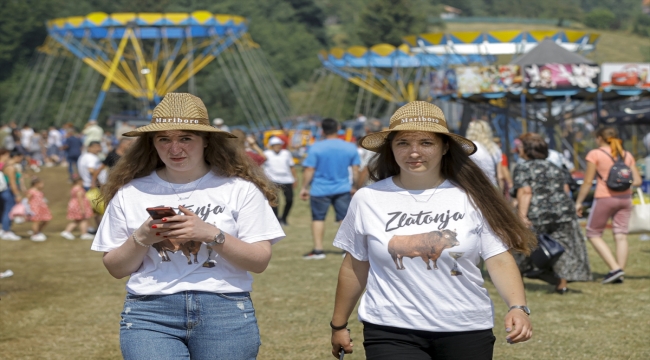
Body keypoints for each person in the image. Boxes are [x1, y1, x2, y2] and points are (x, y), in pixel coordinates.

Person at [330, 101, 535, 359]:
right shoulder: (368, 198)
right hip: (391, 328)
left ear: (444, 147)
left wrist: (518, 307)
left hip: (466, 327)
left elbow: (498, 258)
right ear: (391, 149)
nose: (414, 152)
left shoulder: (472, 197)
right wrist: (338, 324)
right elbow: (354, 265)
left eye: (426, 143)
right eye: (403, 143)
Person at [91, 93, 285, 359]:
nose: (174, 149)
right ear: (152, 143)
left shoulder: (240, 190)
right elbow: (115, 268)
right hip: (150, 313)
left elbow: (259, 261)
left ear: (206, 141)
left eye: (185, 138)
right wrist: (142, 237)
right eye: (164, 139)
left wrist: (211, 234)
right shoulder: (131, 192)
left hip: (225, 310)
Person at [512, 133, 592, 293]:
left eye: (520, 146)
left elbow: (525, 192)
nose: (518, 149)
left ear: (527, 150)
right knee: (561, 247)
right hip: (562, 212)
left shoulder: (523, 167)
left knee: (522, 247)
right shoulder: (554, 166)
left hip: (537, 213)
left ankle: (516, 283)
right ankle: (562, 285)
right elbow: (565, 188)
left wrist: (521, 216)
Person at [575, 126, 642, 284]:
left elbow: (587, 182)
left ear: (599, 138)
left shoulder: (595, 154)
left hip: (604, 197)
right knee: (621, 235)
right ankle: (620, 273)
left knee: (593, 233)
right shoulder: (626, 154)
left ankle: (615, 269)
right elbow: (638, 180)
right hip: (626, 199)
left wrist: (578, 202)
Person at [300, 118, 360, 259]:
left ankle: (318, 250)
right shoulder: (349, 147)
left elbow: (309, 169)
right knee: (344, 218)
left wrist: (304, 187)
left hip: (320, 189)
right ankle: (347, 249)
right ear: (338, 128)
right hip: (343, 188)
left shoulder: (316, 147)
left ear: (322, 129)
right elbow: (356, 170)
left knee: (318, 219)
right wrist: (355, 186)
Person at [262, 136, 296, 225]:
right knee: (275, 201)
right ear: (271, 146)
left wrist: (295, 178)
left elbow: (291, 166)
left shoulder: (286, 153)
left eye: (279, 145)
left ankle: (284, 218)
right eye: (275, 145)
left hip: (287, 179)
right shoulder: (266, 154)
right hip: (272, 179)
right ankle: (276, 219)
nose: (277, 146)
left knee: (289, 200)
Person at [465, 120, 504, 188]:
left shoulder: (468, 147)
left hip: (474, 187)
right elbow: (500, 176)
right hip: (492, 187)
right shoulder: (495, 148)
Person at [60, 175, 95, 240]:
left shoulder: (74, 188)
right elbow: (80, 199)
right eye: (82, 181)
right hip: (78, 206)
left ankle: (84, 233)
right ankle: (67, 231)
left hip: (75, 206)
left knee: (81, 220)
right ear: (79, 181)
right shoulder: (78, 189)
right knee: (80, 220)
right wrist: (83, 209)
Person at [1, 151, 25, 241]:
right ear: (16, 157)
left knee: (4, 211)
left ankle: (4, 229)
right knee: (9, 211)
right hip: (8, 191)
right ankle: (6, 231)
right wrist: (17, 194)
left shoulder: (7, 166)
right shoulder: (10, 168)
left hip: (5, 191)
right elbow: (12, 183)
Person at [26, 177, 52, 242]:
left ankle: (39, 232)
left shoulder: (40, 191)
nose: (43, 185)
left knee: (46, 220)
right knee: (36, 221)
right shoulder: (31, 191)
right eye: (41, 184)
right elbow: (27, 200)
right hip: (35, 208)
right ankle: (34, 234)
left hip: (42, 208)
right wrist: (28, 209)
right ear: (36, 184)